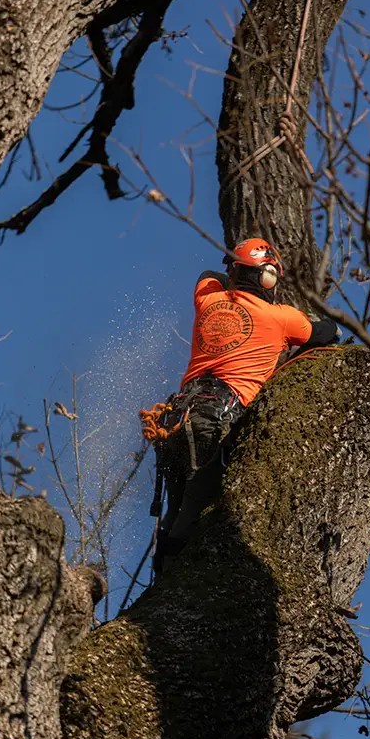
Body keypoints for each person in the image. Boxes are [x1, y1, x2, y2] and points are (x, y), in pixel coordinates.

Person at [140, 237, 342, 572]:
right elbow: (325, 332)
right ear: (267, 277)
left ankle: (165, 574)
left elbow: (207, 275)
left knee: (175, 512)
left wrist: (233, 274)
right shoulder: (282, 317)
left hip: (177, 418)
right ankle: (185, 572)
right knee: (202, 510)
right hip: (218, 417)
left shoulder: (208, 299)